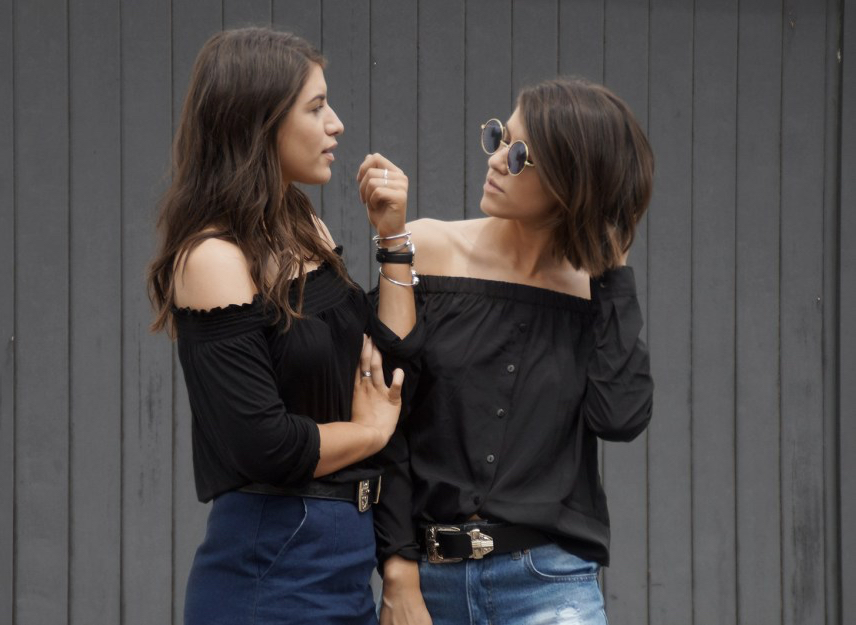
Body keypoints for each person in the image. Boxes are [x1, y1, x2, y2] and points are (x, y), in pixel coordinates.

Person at [147, 28, 416, 625]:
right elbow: (264, 445)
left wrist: (393, 239)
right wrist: (370, 432)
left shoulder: (302, 225)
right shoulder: (213, 258)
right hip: (273, 565)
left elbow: (387, 362)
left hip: (344, 559)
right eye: (316, 107)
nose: (336, 124)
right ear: (258, 123)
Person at [374, 78, 654, 625]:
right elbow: (386, 421)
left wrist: (614, 271)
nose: (497, 160)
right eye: (500, 137)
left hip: (550, 587)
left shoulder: (593, 293)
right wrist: (398, 569)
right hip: (429, 586)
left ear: (572, 182)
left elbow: (619, 417)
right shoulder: (424, 249)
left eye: (521, 155)